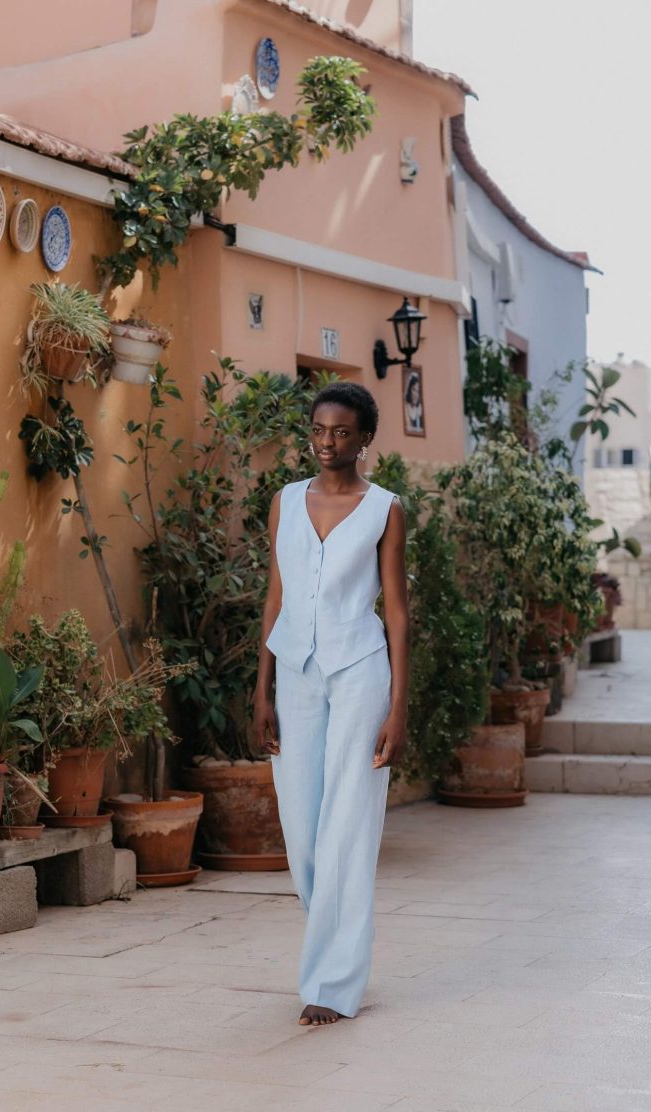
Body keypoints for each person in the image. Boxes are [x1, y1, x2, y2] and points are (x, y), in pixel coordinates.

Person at [254, 380, 410, 1027]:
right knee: (301, 828)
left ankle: (334, 983)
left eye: (341, 431)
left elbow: (397, 611)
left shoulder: (384, 509)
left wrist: (399, 707)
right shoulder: (285, 502)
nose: (327, 442)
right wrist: (260, 686)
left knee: (348, 821)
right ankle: (335, 942)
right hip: (294, 671)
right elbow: (275, 596)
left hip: (359, 672)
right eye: (319, 430)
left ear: (364, 438)